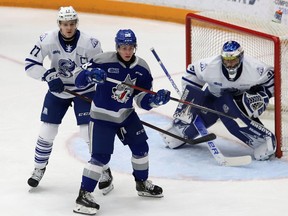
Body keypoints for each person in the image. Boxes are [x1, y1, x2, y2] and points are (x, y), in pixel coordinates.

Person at [71, 29, 171, 215]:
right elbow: (78, 80)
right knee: (100, 157)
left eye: (131, 47)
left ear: (135, 47)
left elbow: (142, 98)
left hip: (126, 115)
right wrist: (90, 75)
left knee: (141, 148)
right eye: (123, 47)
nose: (127, 51)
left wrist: (155, 100)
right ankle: (84, 195)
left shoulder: (142, 67)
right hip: (101, 117)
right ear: (117, 47)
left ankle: (142, 184)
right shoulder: (102, 61)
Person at [25, 6, 113, 192]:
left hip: (84, 91)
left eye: (72, 23)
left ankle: (104, 170)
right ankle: (38, 169)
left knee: (86, 133)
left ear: (76, 23)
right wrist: (48, 75)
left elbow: (101, 69)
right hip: (58, 91)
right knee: (47, 131)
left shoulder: (90, 43)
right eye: (65, 24)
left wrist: (94, 75)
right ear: (59, 24)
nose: (69, 28)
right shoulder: (47, 39)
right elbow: (30, 64)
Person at [161, 40, 276, 161]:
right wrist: (191, 96)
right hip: (213, 97)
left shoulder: (255, 69)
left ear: (241, 57)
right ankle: (179, 130)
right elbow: (192, 71)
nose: (230, 64)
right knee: (195, 118)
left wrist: (261, 95)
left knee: (237, 113)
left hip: (240, 102)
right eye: (227, 60)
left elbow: (273, 79)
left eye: (233, 60)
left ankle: (262, 140)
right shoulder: (209, 66)